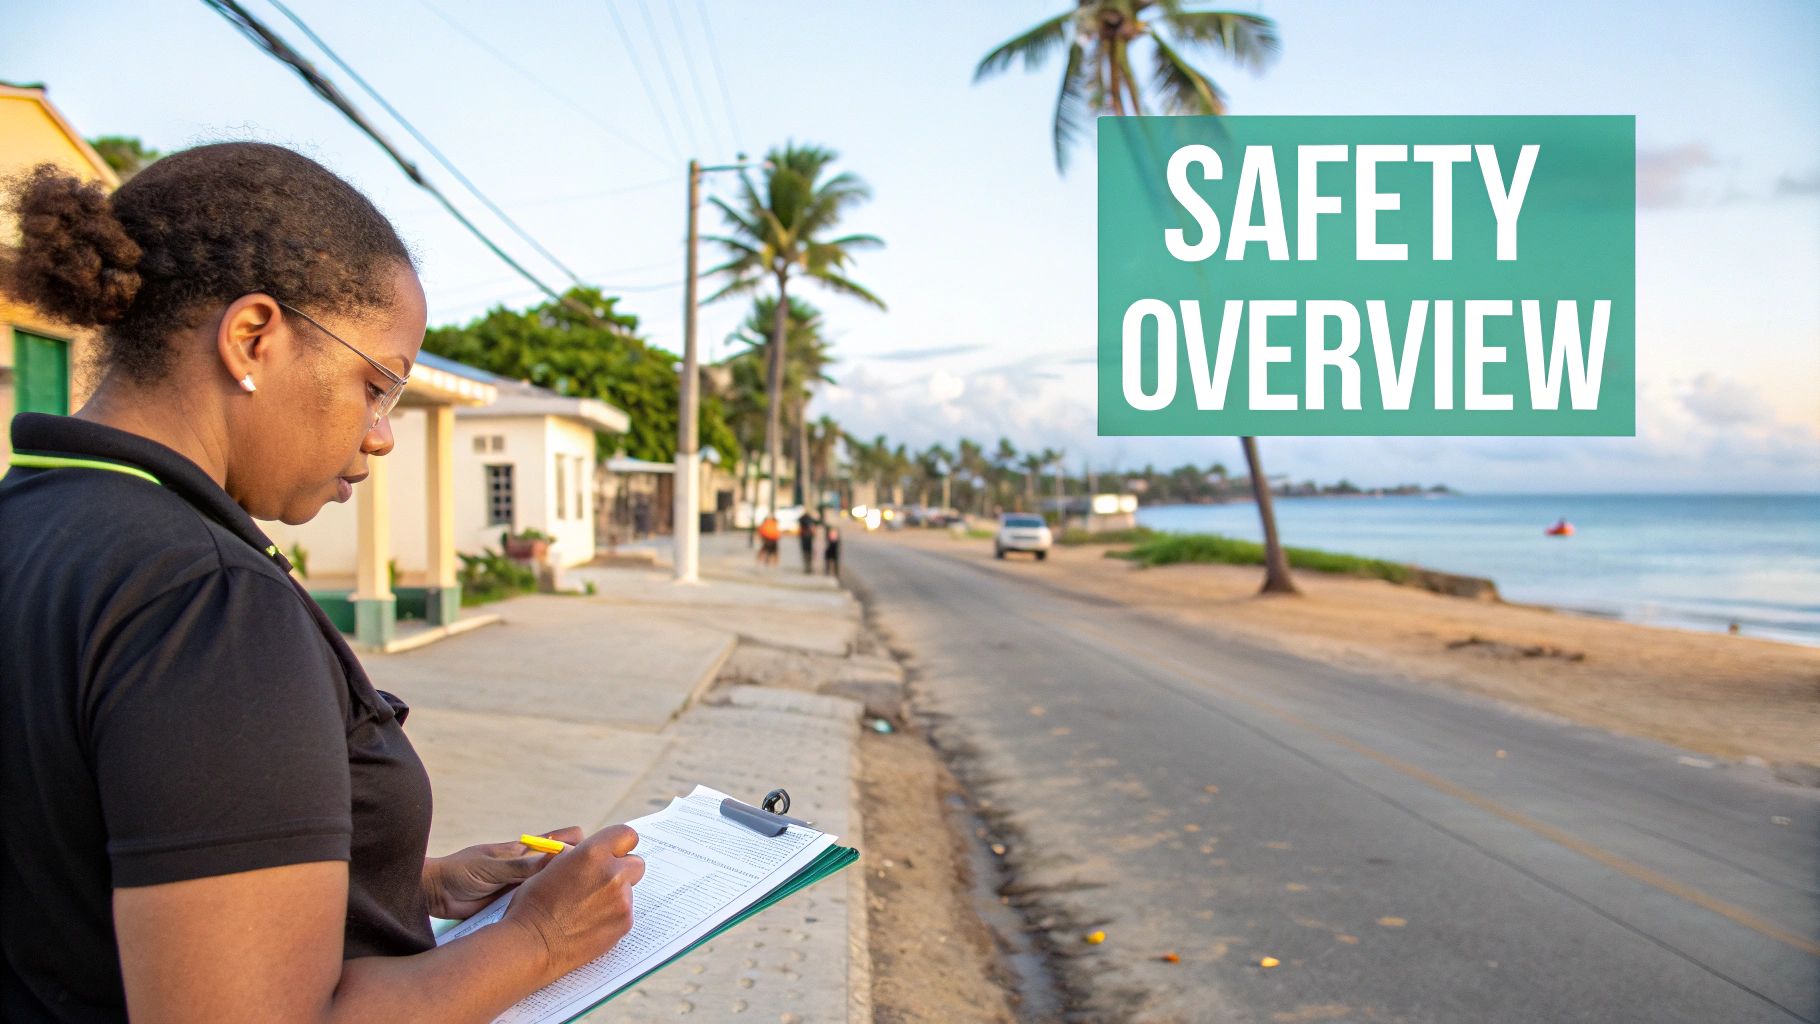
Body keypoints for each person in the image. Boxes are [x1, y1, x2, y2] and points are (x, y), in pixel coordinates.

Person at [0, 144, 645, 1023]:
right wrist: (537, 940)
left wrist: (415, 886)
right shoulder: (207, 601)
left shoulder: (34, 521)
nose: (381, 434)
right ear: (253, 338)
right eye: (375, 385)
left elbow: (82, 860)